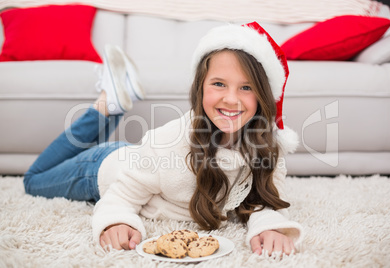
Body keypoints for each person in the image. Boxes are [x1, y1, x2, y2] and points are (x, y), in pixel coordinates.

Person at [24, 22, 303, 256]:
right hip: (102, 169)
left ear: (264, 97)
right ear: (199, 89)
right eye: (219, 83)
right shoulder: (169, 142)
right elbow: (119, 199)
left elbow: (265, 201)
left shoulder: (268, 146)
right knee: (33, 179)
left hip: (141, 160)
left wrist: (268, 226)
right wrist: (116, 222)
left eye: (246, 87)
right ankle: (106, 107)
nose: (231, 99)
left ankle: (112, 106)